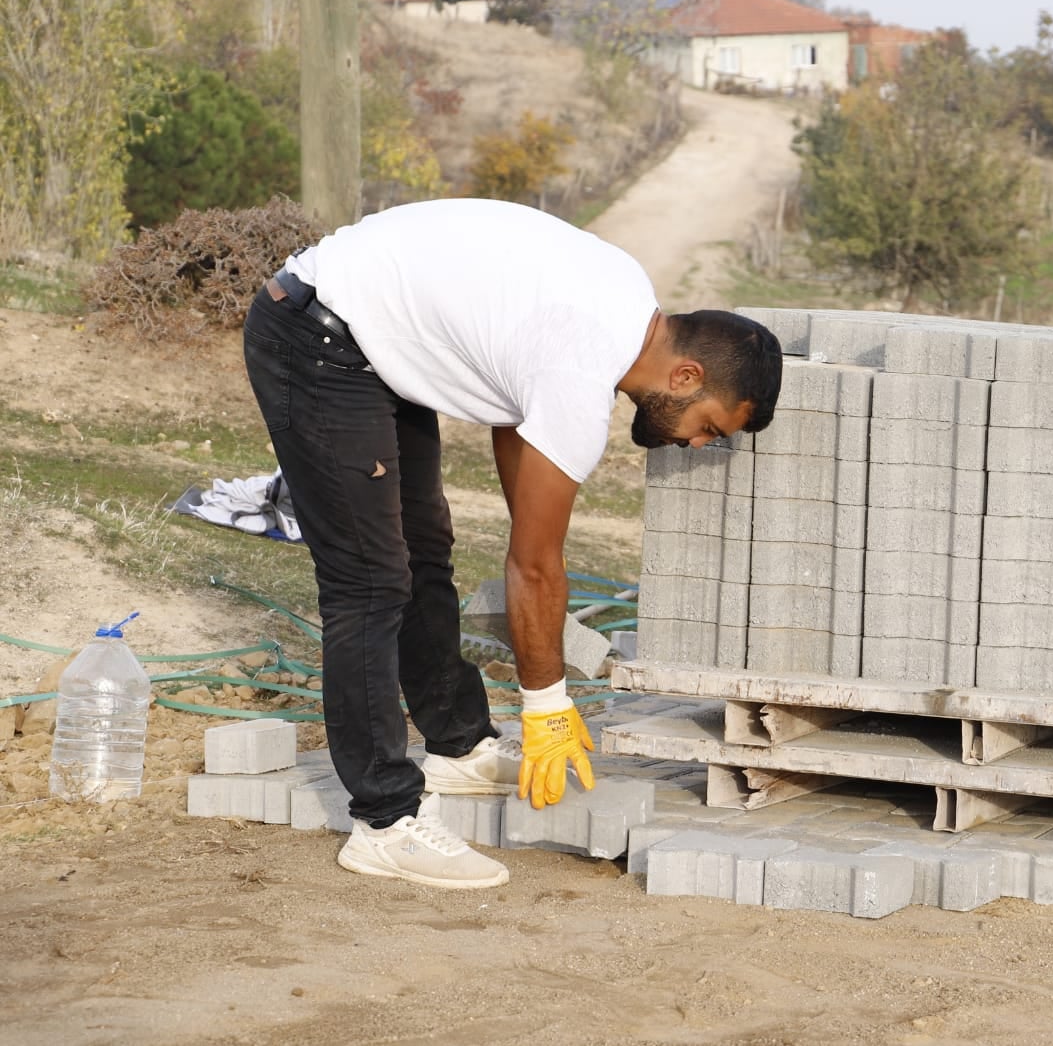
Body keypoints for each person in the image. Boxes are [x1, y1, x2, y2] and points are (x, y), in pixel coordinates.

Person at [242, 198, 782, 889]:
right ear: (686, 377)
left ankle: (459, 746)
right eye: (712, 426)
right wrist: (546, 705)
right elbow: (533, 564)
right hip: (319, 336)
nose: (701, 444)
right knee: (369, 579)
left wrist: (534, 577)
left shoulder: (626, 304)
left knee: (423, 548)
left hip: (367, 336)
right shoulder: (586, 370)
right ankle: (383, 821)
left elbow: (514, 421)